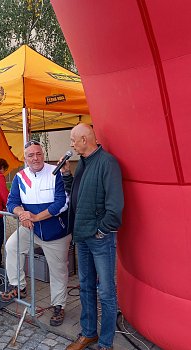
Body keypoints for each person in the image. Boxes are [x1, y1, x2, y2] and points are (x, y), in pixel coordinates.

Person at [61, 124, 124, 350]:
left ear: (85, 140)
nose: (71, 144)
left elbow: (115, 206)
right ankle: (88, 333)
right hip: (83, 237)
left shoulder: (107, 163)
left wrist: (102, 230)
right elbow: (77, 195)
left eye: (73, 139)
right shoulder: (83, 164)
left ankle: (105, 343)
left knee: (106, 291)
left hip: (99, 239)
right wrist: (67, 175)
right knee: (86, 286)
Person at [1, 140, 71, 327]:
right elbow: (11, 202)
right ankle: (19, 286)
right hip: (30, 228)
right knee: (12, 246)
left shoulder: (55, 173)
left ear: (43, 154)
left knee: (58, 270)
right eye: (30, 155)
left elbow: (61, 203)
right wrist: (21, 214)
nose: (35, 158)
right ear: (25, 158)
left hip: (55, 231)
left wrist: (35, 217)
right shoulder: (20, 177)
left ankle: (58, 305)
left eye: (38, 154)